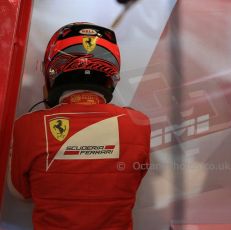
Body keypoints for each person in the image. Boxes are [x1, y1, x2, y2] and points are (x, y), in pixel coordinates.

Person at [8, 22, 151, 230]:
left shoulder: (27, 126)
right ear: (111, 73)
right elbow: (132, 182)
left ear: (52, 72)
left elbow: (20, 192)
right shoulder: (139, 124)